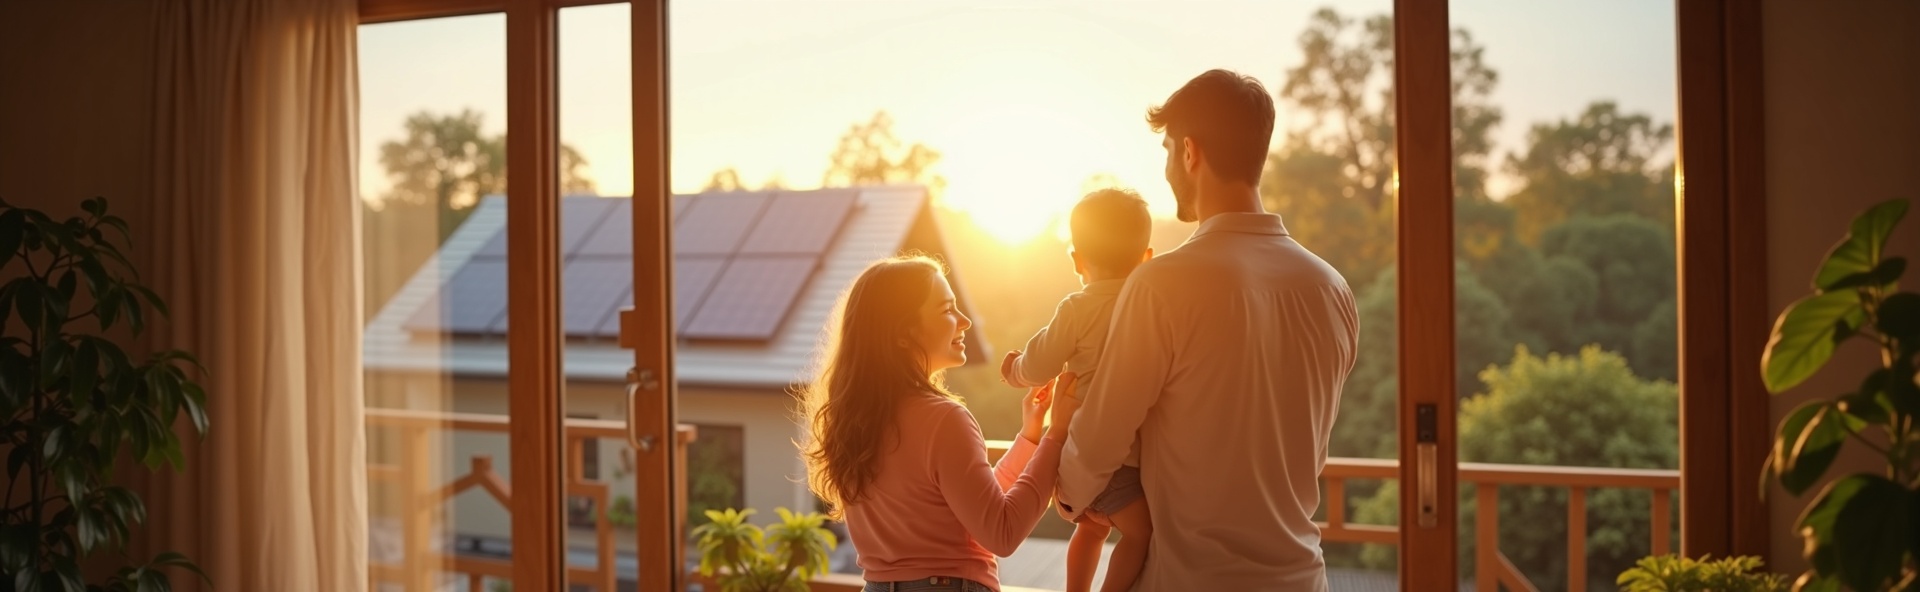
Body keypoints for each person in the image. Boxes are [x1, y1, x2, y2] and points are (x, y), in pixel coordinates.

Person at [1053, 69, 1361, 591]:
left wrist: (1068, 491)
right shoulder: (1332, 289)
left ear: (1190, 153)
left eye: (1170, 150)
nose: (1170, 167)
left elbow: (1102, 438)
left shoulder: (1162, 285)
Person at [799, 254, 1085, 592]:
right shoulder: (943, 419)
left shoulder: (854, 419)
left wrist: (1029, 438)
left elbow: (973, 503)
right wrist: (1057, 435)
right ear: (903, 333)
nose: (964, 321)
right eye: (948, 310)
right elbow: (1001, 533)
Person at [999, 189, 1154, 592]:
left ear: (1077, 260)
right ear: (1147, 258)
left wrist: (1013, 368)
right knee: (1140, 535)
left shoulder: (1077, 308)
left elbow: (1038, 365)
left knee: (1092, 529)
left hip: (1073, 451)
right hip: (1114, 458)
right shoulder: (1151, 306)